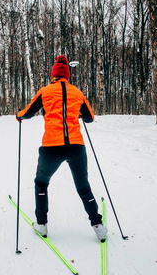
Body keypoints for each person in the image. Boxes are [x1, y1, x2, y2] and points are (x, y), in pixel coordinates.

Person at [16, 55, 107, 242]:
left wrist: (19, 115)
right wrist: (76, 112)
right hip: (76, 146)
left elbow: (29, 113)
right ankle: (98, 226)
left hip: (52, 147)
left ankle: (41, 225)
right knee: (83, 187)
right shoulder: (77, 93)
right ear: (67, 75)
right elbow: (89, 118)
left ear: (54, 75)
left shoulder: (46, 91)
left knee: (41, 183)